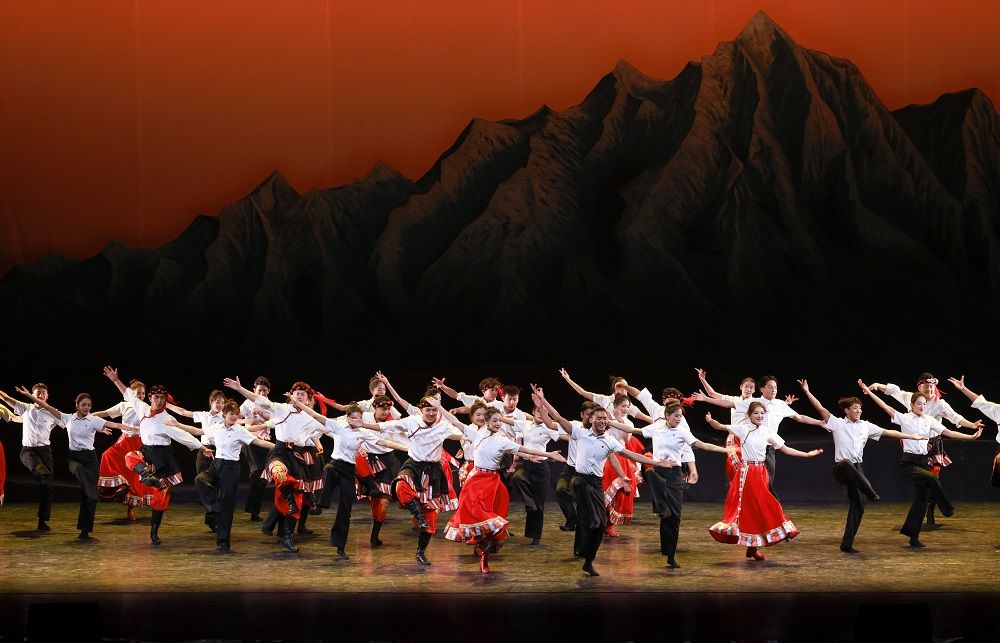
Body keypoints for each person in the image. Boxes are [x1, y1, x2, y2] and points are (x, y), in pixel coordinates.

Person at [533, 385, 673, 577]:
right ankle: (579, 536)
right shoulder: (580, 432)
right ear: (591, 419)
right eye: (598, 418)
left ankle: (587, 560)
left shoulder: (609, 440)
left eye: (605, 419)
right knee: (590, 516)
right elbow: (556, 418)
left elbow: (630, 454)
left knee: (599, 525)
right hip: (581, 480)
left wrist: (656, 463)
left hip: (596, 484)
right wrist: (542, 402)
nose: (602, 421)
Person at [797, 379, 928, 554]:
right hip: (841, 469)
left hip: (857, 469)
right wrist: (807, 391)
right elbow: (820, 408)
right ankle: (870, 492)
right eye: (855, 408)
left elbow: (888, 432)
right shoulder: (837, 423)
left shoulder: (866, 426)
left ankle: (847, 544)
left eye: (860, 408)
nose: (858, 411)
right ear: (846, 410)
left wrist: (911, 436)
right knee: (846, 463)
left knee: (858, 505)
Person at [608, 399, 732, 568]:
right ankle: (659, 503)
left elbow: (702, 445)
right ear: (667, 416)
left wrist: (725, 450)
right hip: (659, 471)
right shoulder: (656, 428)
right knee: (651, 474)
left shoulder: (682, 432)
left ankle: (670, 554)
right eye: (676, 416)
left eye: (680, 416)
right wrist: (609, 422)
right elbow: (631, 429)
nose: (679, 419)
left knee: (673, 516)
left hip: (675, 474)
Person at [443, 404, 566, 573]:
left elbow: (523, 449)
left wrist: (548, 454)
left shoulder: (502, 440)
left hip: (493, 483)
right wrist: (439, 407)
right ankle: (480, 546)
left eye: (500, 421)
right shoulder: (476, 435)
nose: (498, 423)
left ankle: (484, 555)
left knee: (495, 524)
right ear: (487, 421)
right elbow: (455, 421)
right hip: (475, 481)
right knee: (477, 514)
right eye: (495, 420)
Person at [860, 380, 982, 547]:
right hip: (909, 463)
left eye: (924, 404)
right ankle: (946, 508)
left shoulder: (929, 420)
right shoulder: (904, 418)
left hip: (923, 461)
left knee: (922, 499)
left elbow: (949, 432)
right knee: (932, 479)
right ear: (911, 405)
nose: (922, 406)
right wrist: (869, 392)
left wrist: (971, 437)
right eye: (919, 403)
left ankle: (913, 536)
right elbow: (885, 406)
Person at [288, 398, 407, 560]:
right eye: (353, 418)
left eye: (359, 418)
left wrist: (407, 448)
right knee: (328, 469)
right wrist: (297, 403)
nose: (356, 421)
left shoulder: (363, 432)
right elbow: (315, 415)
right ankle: (321, 503)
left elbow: (385, 442)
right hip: (335, 465)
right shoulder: (338, 426)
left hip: (349, 471)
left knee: (345, 510)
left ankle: (340, 546)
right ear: (348, 418)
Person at [704, 404, 823, 561]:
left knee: (758, 507)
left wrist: (807, 454)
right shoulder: (743, 429)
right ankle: (786, 531)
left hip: (761, 471)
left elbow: (785, 449)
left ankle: (752, 547)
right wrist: (710, 420)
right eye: (756, 413)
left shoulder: (767, 431)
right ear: (749, 415)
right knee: (760, 506)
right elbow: (720, 426)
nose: (760, 416)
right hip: (747, 472)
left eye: (762, 413)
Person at [103, 366, 205, 545]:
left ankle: (154, 530)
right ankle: (147, 475)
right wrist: (115, 380)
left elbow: (184, 436)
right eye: (156, 397)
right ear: (150, 398)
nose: (158, 400)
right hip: (147, 452)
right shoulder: (142, 408)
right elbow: (128, 394)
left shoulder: (166, 419)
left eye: (162, 398)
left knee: (160, 499)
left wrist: (202, 447)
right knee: (129, 457)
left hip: (163, 458)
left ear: (165, 400)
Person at [224, 376, 325, 553]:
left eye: (303, 394)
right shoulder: (281, 408)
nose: (300, 396)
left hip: (296, 457)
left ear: (307, 398)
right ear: (291, 395)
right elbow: (259, 400)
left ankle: (287, 536)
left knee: (299, 499)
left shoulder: (310, 417)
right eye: (297, 393)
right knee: (279, 472)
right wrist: (239, 389)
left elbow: (332, 427)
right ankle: (290, 502)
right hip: (279, 453)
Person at [17, 388, 134, 539]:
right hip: (74, 458)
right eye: (83, 405)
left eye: (89, 405)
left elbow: (115, 425)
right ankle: (88, 488)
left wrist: (135, 429)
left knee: (90, 497)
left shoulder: (93, 420)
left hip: (90, 459)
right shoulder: (68, 418)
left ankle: (85, 530)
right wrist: (28, 395)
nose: (86, 407)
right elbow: (47, 407)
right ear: (77, 405)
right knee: (78, 470)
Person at [362, 396, 464, 565]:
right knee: (401, 485)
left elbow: (460, 434)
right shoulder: (412, 421)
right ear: (420, 409)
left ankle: (420, 552)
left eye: (434, 410)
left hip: (433, 471)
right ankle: (418, 516)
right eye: (427, 410)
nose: (431, 413)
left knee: (432, 516)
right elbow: (386, 426)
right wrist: (364, 425)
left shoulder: (443, 426)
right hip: (414, 465)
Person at [696, 375, 825, 496]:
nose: (760, 415)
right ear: (762, 389)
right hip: (748, 442)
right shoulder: (753, 404)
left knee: (767, 482)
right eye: (770, 387)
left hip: (769, 445)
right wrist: (707, 401)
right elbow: (726, 407)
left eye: (775, 387)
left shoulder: (778, 407)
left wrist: (819, 423)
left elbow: (799, 419)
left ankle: (763, 505)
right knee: (746, 480)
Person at [189, 400, 275, 551]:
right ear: (224, 414)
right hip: (217, 464)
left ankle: (223, 541)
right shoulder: (217, 427)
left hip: (231, 467)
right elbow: (197, 431)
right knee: (200, 479)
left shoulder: (239, 430)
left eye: (236, 414)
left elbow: (258, 442)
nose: (234, 417)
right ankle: (213, 507)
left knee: (227, 506)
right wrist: (176, 425)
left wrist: (278, 447)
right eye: (231, 414)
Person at [0, 383, 61, 531]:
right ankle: (38, 473)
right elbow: (6, 398)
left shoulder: (53, 412)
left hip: (45, 452)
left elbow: (67, 422)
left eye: (43, 393)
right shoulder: (26, 408)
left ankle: (42, 520)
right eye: (38, 392)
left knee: (47, 486)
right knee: (39, 469)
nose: (41, 395)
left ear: (47, 396)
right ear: (32, 395)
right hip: (28, 451)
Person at [94, 378, 154, 520]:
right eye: (138, 393)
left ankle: (131, 508)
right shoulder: (124, 405)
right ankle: (120, 485)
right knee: (107, 455)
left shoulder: (146, 407)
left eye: (143, 393)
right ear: (130, 393)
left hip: (140, 443)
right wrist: (90, 415)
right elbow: (105, 413)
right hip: (124, 441)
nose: (141, 396)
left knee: (135, 475)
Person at [507, 404, 561, 544]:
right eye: (539, 411)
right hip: (526, 463)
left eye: (545, 412)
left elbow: (564, 435)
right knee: (516, 478)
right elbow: (508, 421)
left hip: (541, 467)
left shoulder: (549, 428)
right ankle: (528, 502)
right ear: (533, 411)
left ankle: (535, 536)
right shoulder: (525, 424)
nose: (541, 414)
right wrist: (494, 414)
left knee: (539, 504)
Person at [695, 369, 757, 484]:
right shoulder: (734, 399)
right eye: (746, 386)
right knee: (733, 467)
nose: (748, 389)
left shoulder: (755, 403)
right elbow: (713, 394)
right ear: (741, 387)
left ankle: (746, 490)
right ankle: (736, 491)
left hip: (748, 438)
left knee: (746, 468)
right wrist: (703, 379)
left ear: (754, 390)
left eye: (751, 387)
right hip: (733, 437)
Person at [238, 376, 273, 522]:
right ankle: (252, 509)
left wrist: (263, 415)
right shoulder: (248, 402)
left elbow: (273, 421)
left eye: (264, 390)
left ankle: (254, 511)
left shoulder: (270, 405)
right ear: (254, 390)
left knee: (263, 476)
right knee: (257, 471)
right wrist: (247, 420)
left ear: (268, 391)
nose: (262, 393)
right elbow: (235, 418)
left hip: (265, 441)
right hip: (250, 440)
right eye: (259, 390)